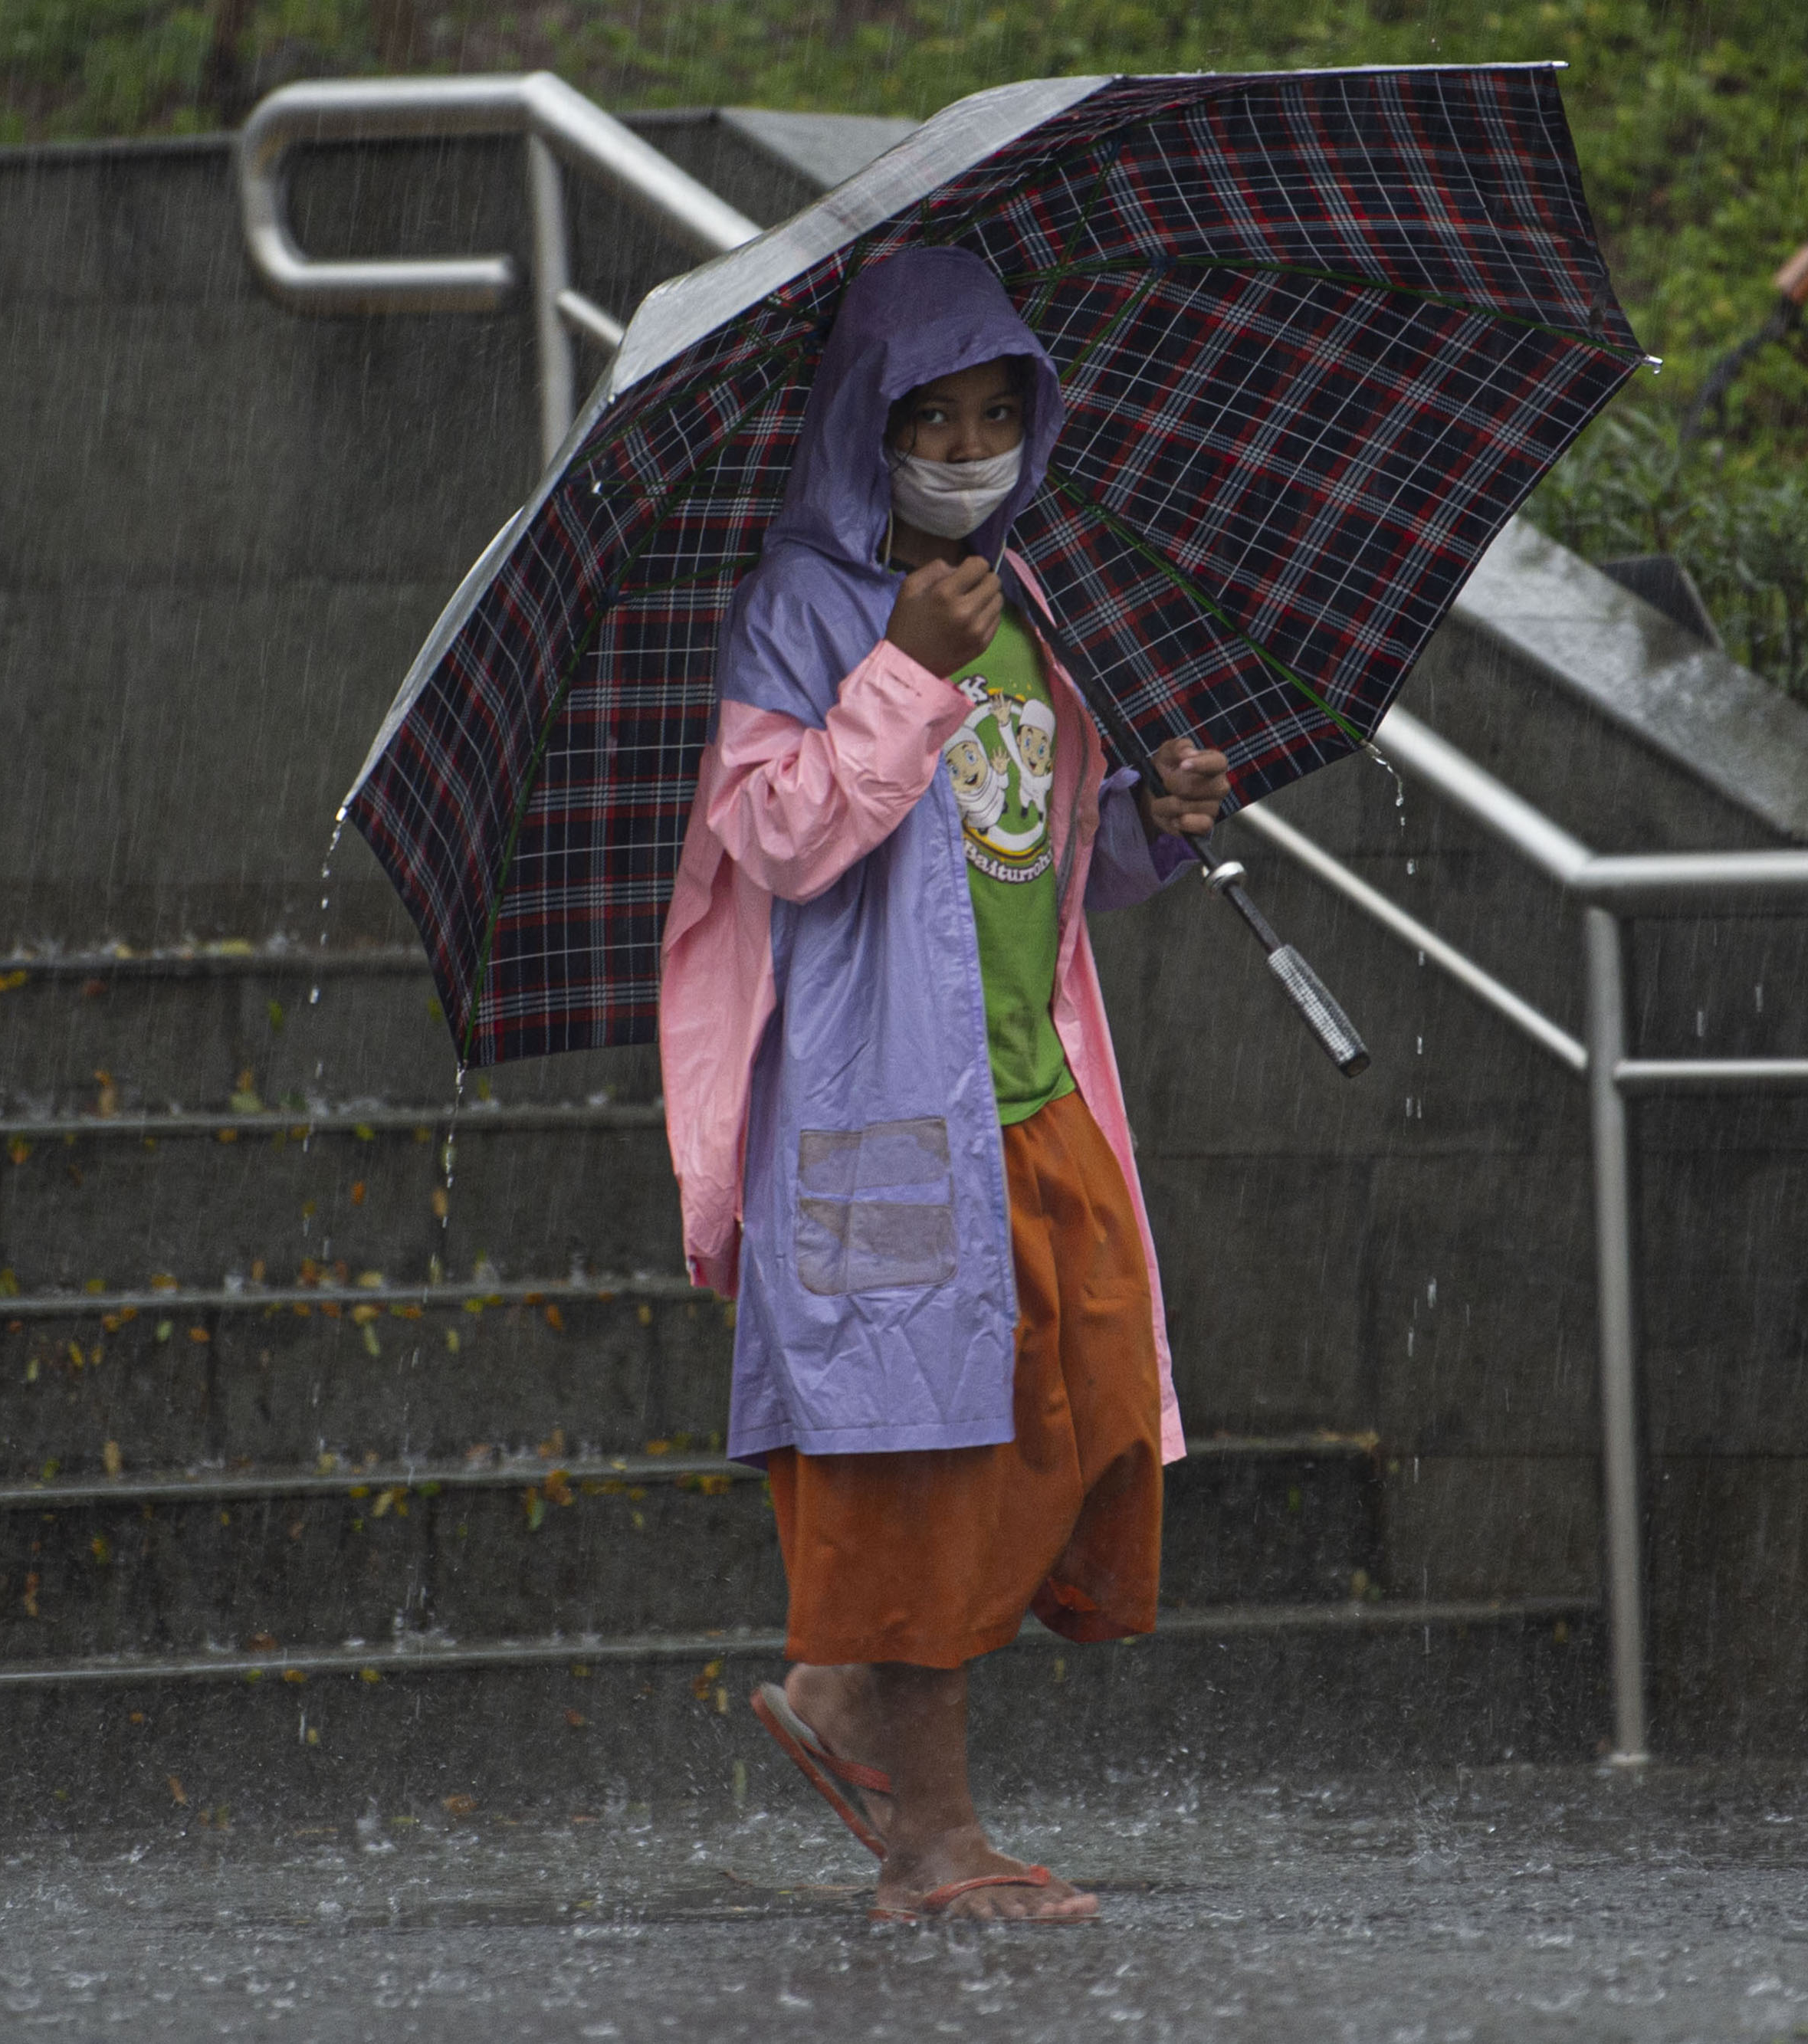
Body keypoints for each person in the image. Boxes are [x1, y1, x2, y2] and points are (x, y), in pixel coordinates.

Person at [657, 246, 1225, 1925]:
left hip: (1032, 1091)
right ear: (865, 426)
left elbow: (1023, 850)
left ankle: (840, 1686)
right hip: (875, 1109)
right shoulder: (806, 602)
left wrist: (1149, 824)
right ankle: (931, 1840)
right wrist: (898, 664)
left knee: (1097, 1404)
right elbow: (774, 834)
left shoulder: (1027, 598)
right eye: (933, 416)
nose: (969, 445)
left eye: (999, 412)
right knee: (925, 1460)